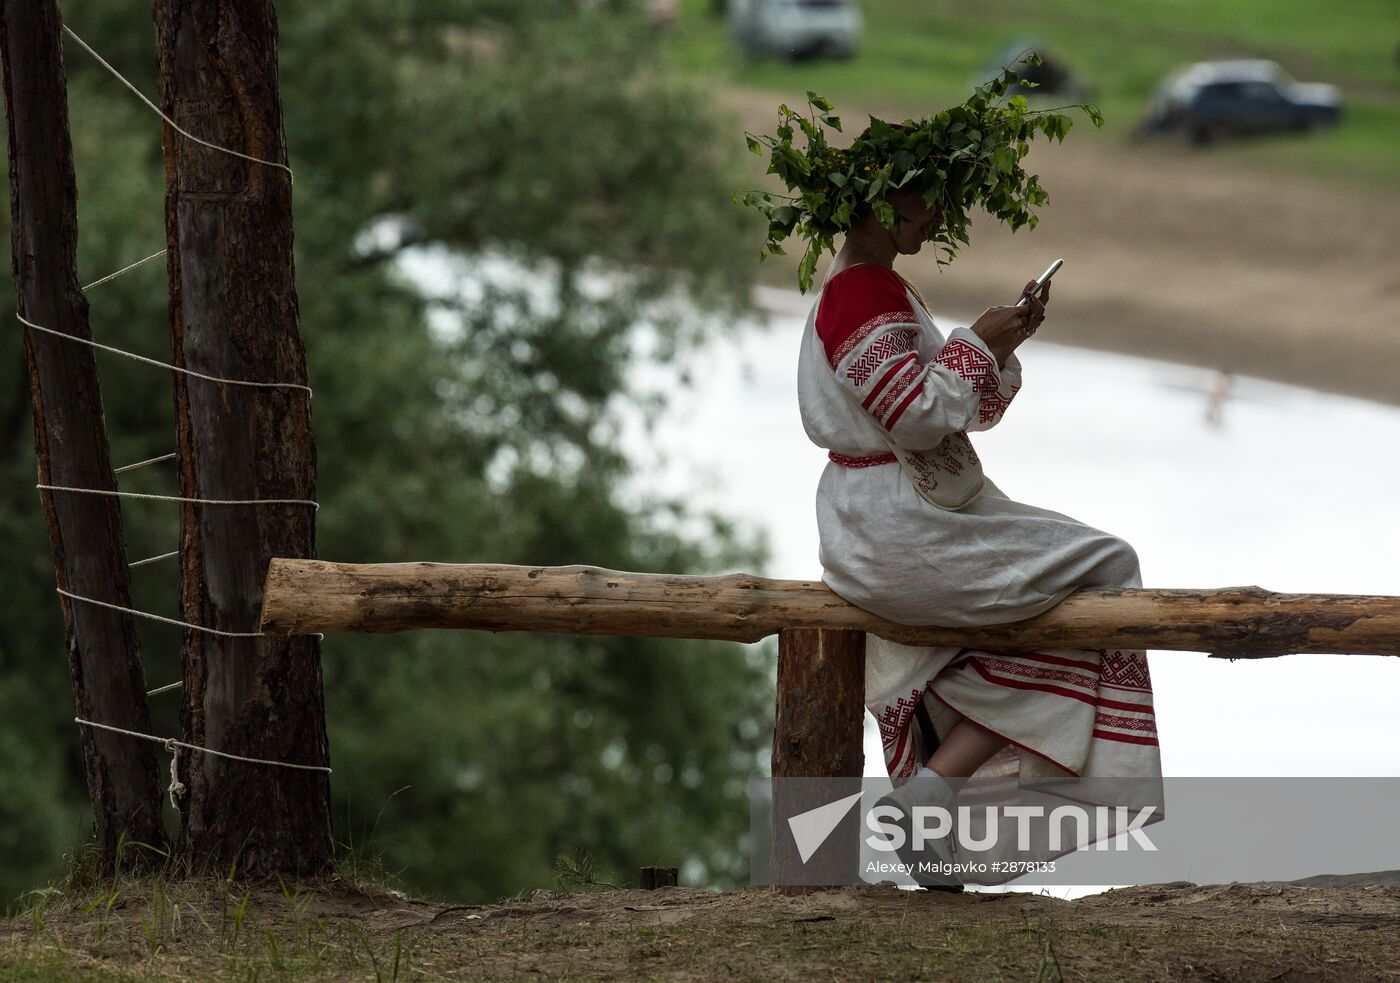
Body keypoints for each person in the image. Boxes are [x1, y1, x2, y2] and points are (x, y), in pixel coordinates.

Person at [796, 183, 1162, 884]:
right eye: (923, 201)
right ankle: (934, 793)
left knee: (1087, 571)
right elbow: (912, 414)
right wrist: (974, 344)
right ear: (876, 201)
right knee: (1108, 566)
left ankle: (935, 814)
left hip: (895, 518)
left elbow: (954, 410)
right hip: (899, 525)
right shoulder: (860, 291)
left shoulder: (875, 288)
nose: (937, 216)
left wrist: (1001, 342)